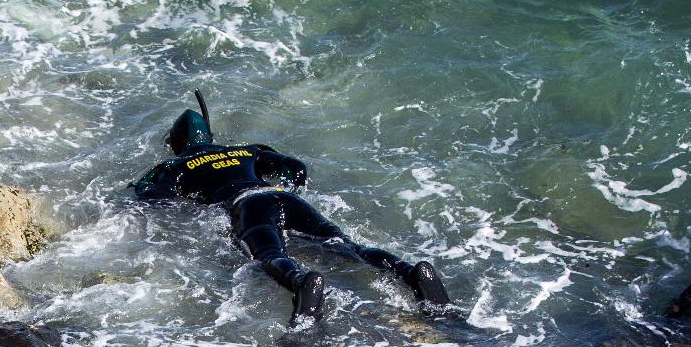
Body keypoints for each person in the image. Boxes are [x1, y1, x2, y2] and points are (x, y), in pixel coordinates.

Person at [131, 92, 452, 323]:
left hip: (246, 206)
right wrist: (290, 189)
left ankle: (302, 283)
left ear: (177, 144)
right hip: (283, 197)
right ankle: (411, 273)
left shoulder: (174, 166)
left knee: (270, 256)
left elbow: (149, 199)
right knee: (346, 246)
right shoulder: (247, 150)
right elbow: (294, 166)